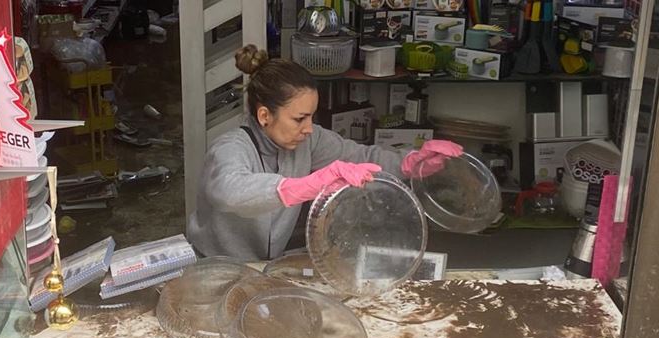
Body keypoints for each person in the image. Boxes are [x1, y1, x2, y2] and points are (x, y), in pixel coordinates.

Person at [187, 44, 463, 260]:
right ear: (264, 115)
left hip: (265, 267)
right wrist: (308, 185)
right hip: (215, 268)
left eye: (311, 117)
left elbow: (361, 157)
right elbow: (229, 191)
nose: (309, 128)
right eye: (299, 119)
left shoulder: (308, 140)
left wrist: (409, 163)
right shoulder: (231, 147)